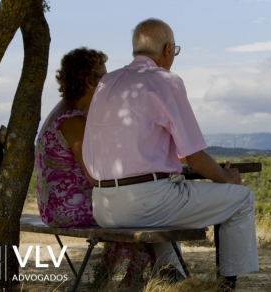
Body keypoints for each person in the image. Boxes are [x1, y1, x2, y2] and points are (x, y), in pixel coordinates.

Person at [82, 18, 259, 289]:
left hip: (103, 206)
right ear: (167, 49)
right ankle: (225, 286)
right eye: (174, 51)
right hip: (146, 204)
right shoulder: (165, 81)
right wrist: (227, 179)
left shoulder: (107, 82)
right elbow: (196, 158)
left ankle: (171, 278)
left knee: (164, 204)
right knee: (242, 199)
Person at [34, 47, 155, 288]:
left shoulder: (62, 112)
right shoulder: (74, 120)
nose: (108, 83)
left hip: (53, 207)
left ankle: (103, 279)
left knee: (131, 207)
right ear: (90, 81)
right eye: (104, 76)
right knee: (141, 208)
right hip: (68, 209)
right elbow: (94, 176)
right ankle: (131, 283)